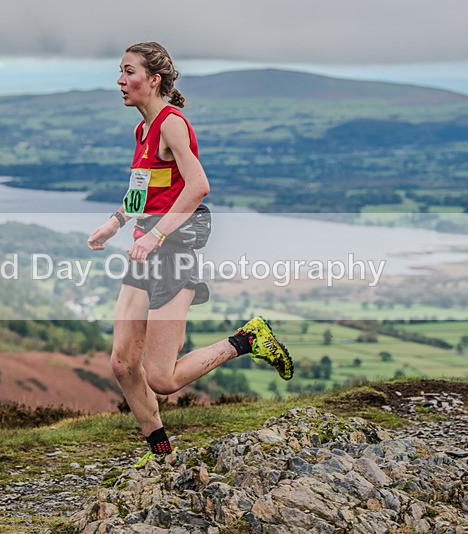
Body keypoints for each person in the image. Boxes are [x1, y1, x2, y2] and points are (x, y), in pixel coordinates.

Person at [87, 42, 292, 466]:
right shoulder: (142, 130)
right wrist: (116, 222)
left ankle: (248, 339)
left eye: (128, 72)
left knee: (161, 377)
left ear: (154, 79)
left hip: (172, 247)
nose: (120, 81)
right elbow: (142, 191)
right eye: (120, 72)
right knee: (124, 364)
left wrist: (156, 236)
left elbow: (198, 186)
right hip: (147, 244)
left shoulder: (172, 124)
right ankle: (161, 455)